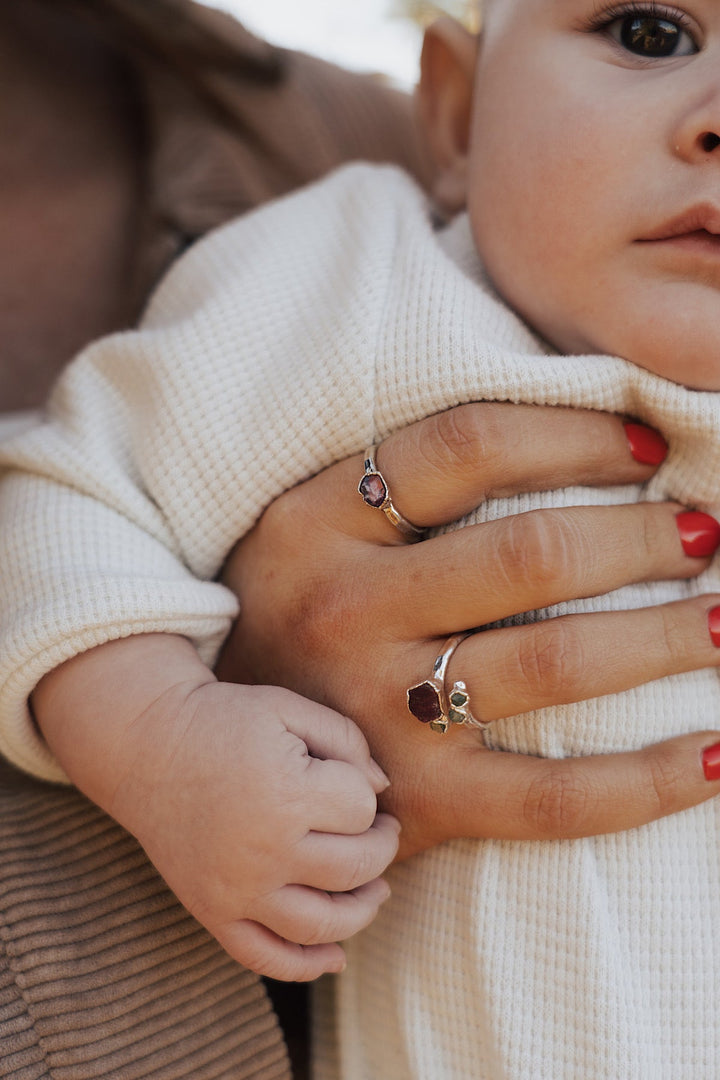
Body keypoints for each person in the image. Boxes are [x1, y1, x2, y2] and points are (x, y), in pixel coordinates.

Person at [3, 1, 720, 1078]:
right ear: (458, 113)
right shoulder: (358, 286)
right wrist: (164, 737)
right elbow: (69, 497)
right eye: (652, 34)